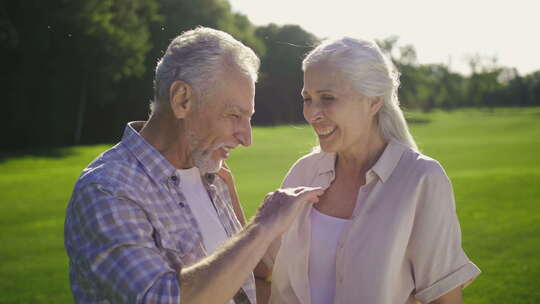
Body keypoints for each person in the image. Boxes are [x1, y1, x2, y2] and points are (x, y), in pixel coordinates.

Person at [63, 27, 323, 304]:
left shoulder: (211, 174)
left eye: (248, 117)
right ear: (182, 100)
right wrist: (261, 228)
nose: (246, 138)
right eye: (234, 115)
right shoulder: (107, 190)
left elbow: (247, 284)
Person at [262, 37, 481, 304]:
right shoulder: (302, 173)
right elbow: (262, 267)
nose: (312, 114)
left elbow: (443, 299)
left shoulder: (421, 180)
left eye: (327, 98)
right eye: (308, 99)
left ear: (374, 101)